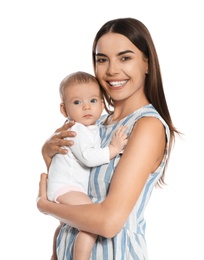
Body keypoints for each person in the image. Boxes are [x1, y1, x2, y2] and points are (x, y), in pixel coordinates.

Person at [37, 17, 180, 259]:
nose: (112, 70)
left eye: (125, 57)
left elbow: (108, 223)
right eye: (102, 59)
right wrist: (47, 154)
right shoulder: (95, 123)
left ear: (147, 63)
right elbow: (72, 186)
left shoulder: (146, 126)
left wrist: (45, 206)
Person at [47, 71, 128, 260]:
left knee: (65, 225)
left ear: (102, 104)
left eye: (92, 101)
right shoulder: (76, 130)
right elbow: (88, 157)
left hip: (66, 187)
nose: (86, 107)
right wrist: (113, 149)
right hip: (66, 188)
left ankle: (54, 255)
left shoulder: (93, 127)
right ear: (64, 110)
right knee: (92, 223)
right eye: (77, 102)